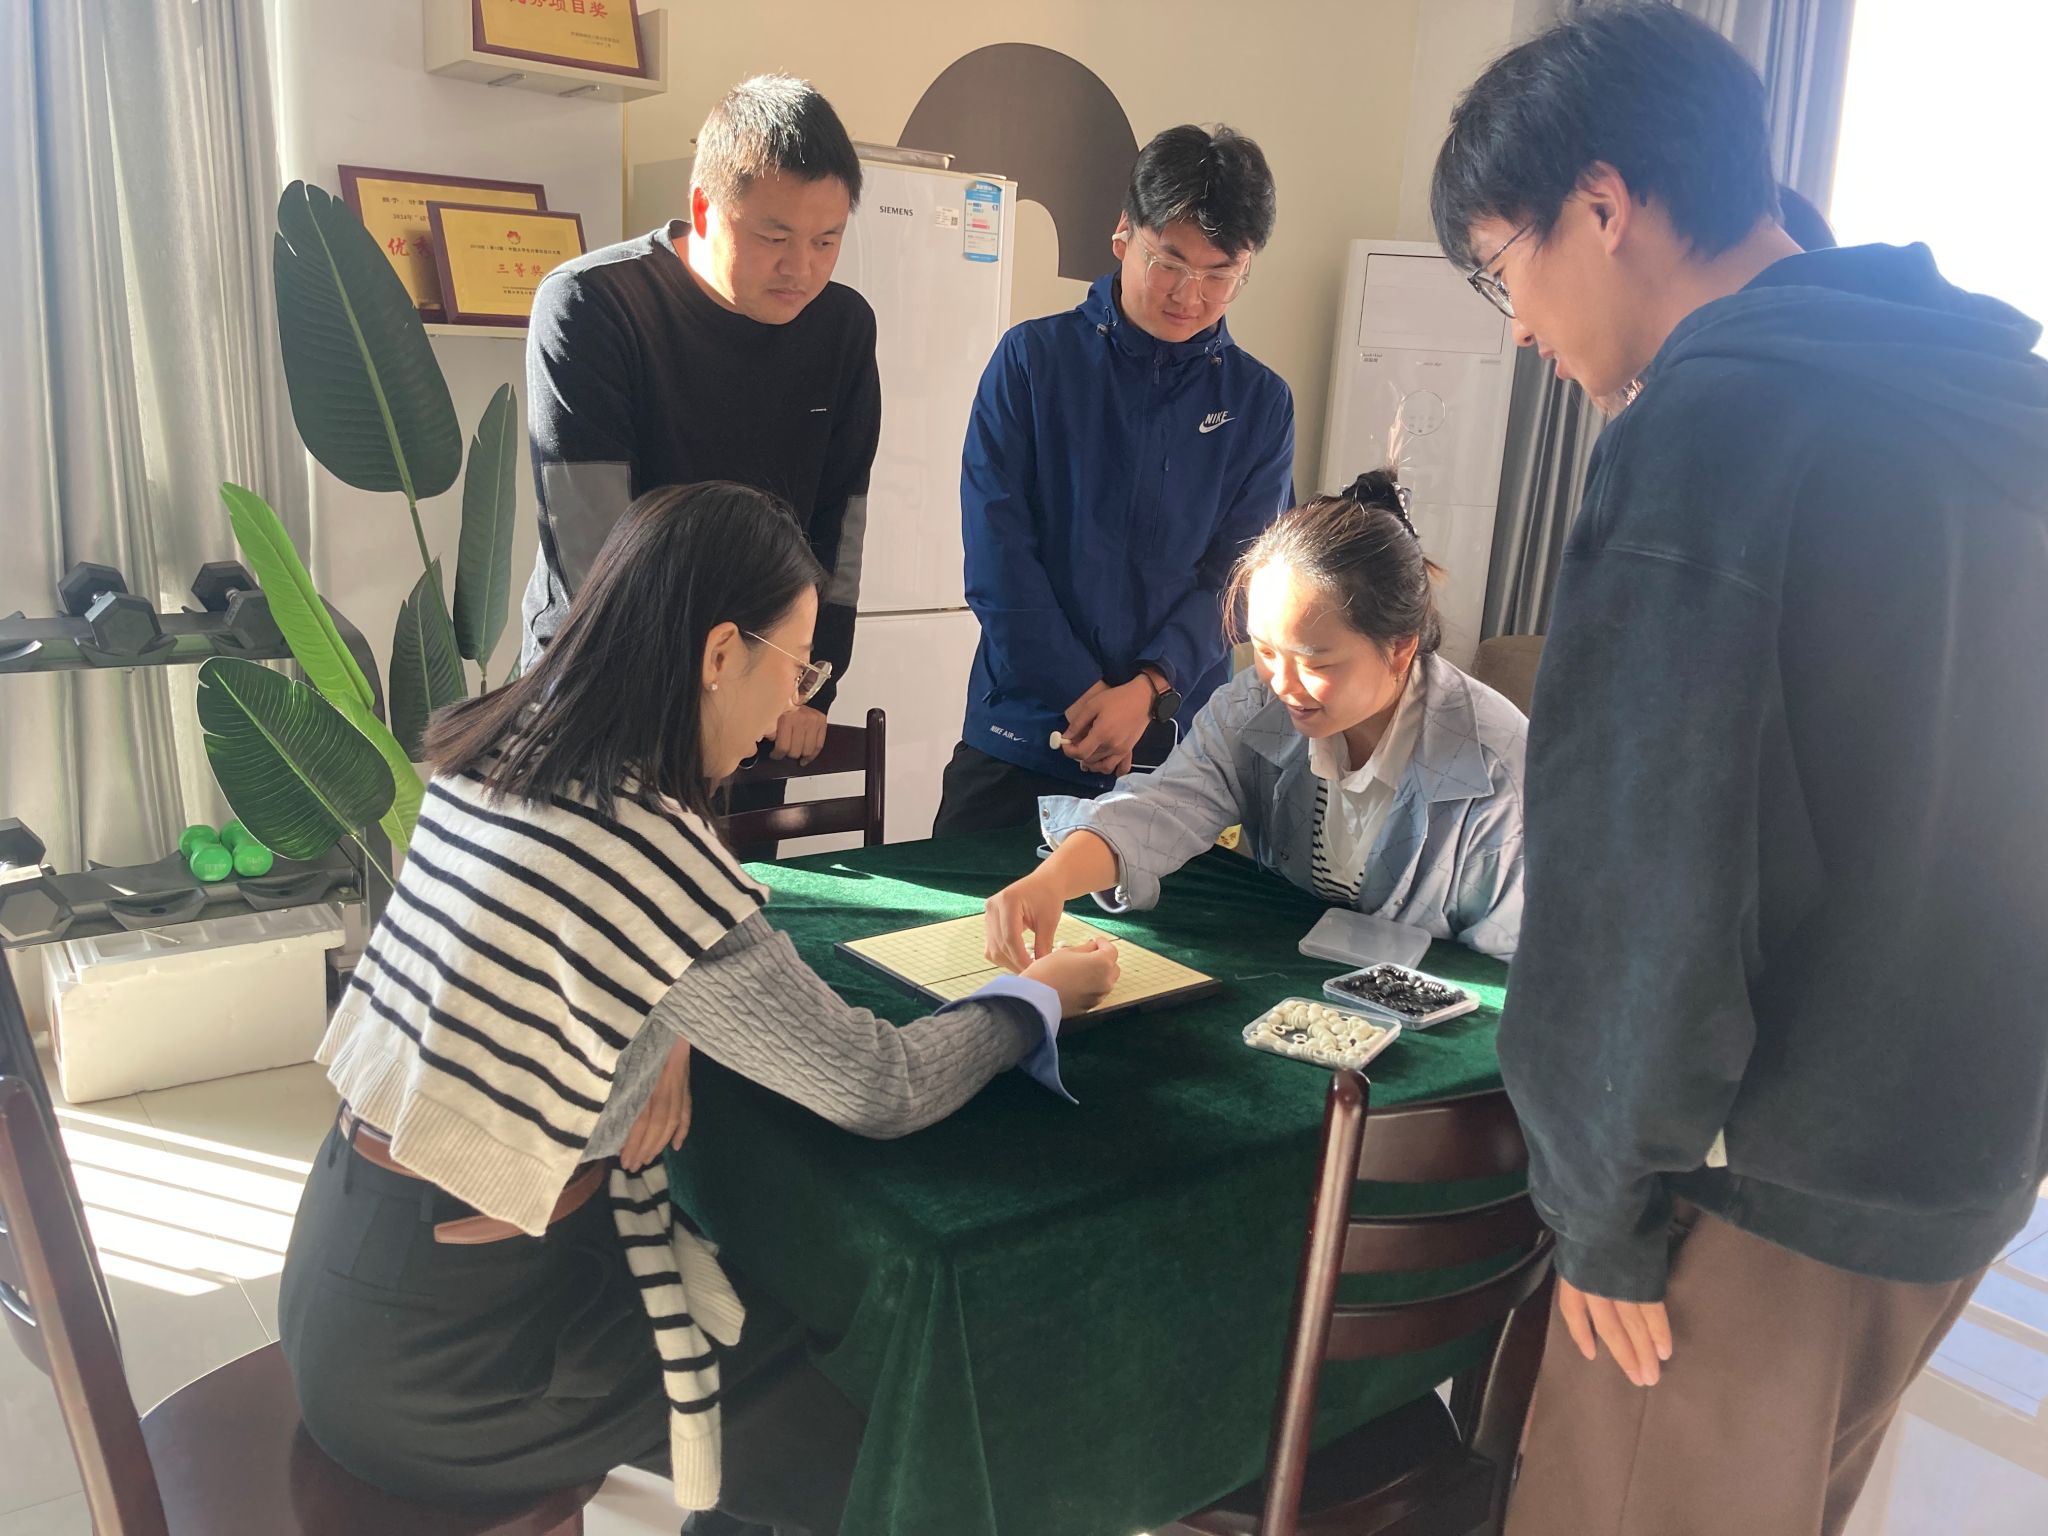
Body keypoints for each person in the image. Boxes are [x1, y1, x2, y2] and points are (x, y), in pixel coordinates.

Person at [1429, 7, 2048, 1534]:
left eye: (1501, 267)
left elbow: (1644, 873)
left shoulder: (1712, 426)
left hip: (1762, 1178)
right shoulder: (1999, 410)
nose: (1517, 326)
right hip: (1968, 1150)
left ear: (1602, 205)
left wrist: (1598, 1205)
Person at [280, 483, 1119, 1535]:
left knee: (761, 1308)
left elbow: (565, 951)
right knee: (872, 1417)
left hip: (347, 1272)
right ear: (722, 652)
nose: (792, 707)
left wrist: (667, 1025)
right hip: (462, 1361)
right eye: (799, 669)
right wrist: (1033, 997)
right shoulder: (647, 848)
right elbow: (881, 1086)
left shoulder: (502, 746)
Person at [519, 74, 881, 854]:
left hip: (755, 693)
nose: (801, 268)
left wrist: (809, 679)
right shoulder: (592, 306)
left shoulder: (842, 329)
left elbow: (838, 522)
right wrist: (699, 695)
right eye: (774, 237)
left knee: (738, 909)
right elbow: (590, 546)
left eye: (827, 241)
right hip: (606, 691)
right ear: (706, 207)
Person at [983, 471, 1526, 971]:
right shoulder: (1254, 706)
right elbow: (1165, 805)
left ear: (1401, 648)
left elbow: (1525, 971)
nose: (1282, 684)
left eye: (1315, 663)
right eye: (1265, 651)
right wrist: (1052, 880)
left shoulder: (1502, 773)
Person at [932, 123, 1296, 836]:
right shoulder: (1032, 362)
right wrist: (1085, 695)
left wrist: (1148, 692)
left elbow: (1240, 579)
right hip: (1022, 734)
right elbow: (999, 559)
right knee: (963, 910)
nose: (1190, 295)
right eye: (1170, 262)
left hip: (1175, 749)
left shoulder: (1260, 403)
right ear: (1124, 234)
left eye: (1220, 274)